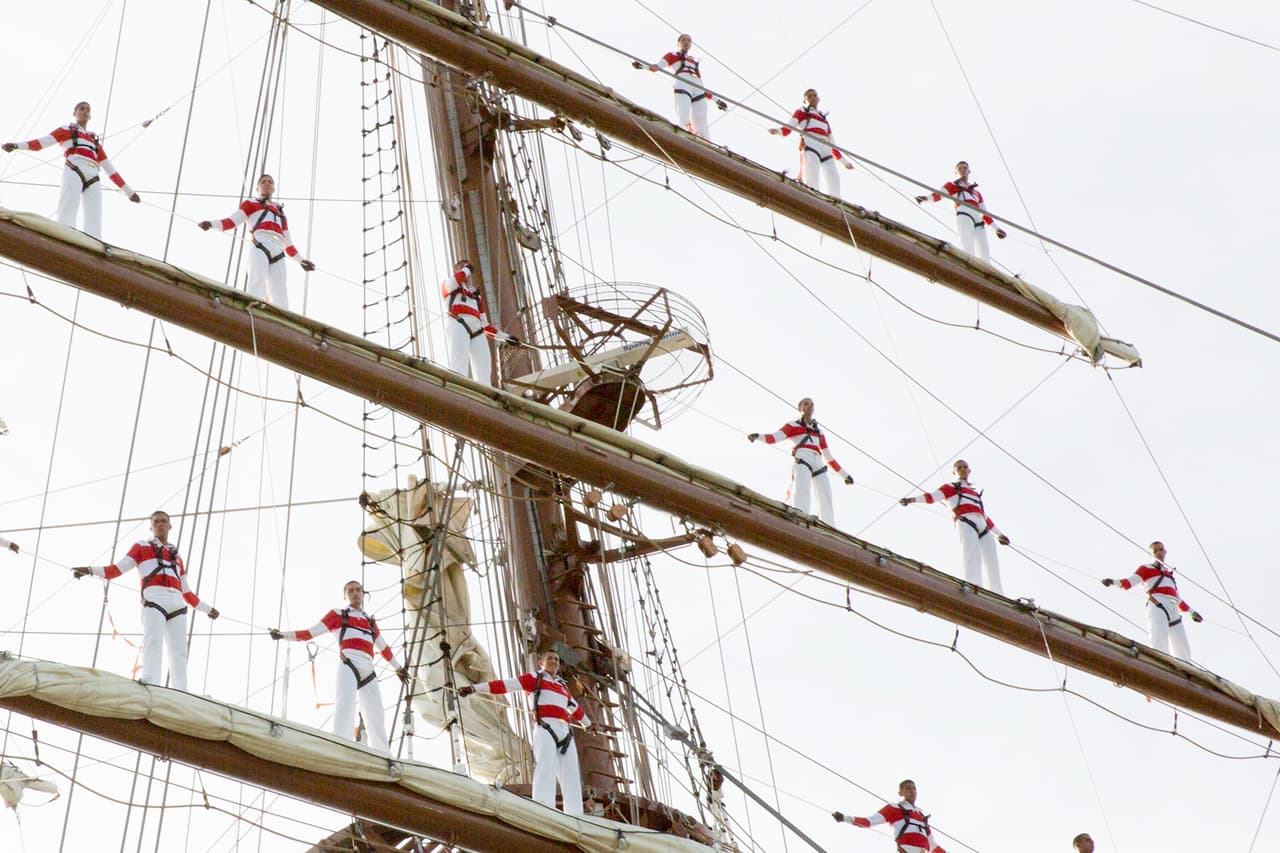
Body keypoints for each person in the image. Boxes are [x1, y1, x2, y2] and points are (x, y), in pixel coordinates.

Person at [71, 510, 220, 690]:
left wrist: (207, 609)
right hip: (154, 600)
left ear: (170, 526)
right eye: (156, 522)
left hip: (177, 604)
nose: (160, 524)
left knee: (179, 652)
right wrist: (88, 570)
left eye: (163, 521)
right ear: (151, 527)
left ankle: (182, 691)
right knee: (153, 642)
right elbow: (116, 570)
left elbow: (186, 592)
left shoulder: (177, 556)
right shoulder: (141, 546)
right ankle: (151, 684)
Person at [270, 580, 409, 751]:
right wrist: (284, 635)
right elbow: (309, 633)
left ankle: (384, 754)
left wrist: (398, 668)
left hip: (369, 669)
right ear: (345, 596)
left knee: (376, 715)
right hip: (349, 663)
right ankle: (340, 746)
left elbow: (384, 648)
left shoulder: (371, 623)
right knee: (345, 706)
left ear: (363, 594)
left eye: (358, 590)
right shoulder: (338, 615)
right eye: (350, 591)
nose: (355, 593)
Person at [458, 650, 592, 815]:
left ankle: (575, 814)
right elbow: (504, 685)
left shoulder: (562, 685)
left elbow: (574, 707)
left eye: (557, 659)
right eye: (549, 658)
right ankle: (543, 808)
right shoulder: (534, 678)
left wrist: (588, 724)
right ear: (541, 662)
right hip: (546, 727)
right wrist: (474, 689)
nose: (554, 661)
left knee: (571, 774)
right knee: (546, 767)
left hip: (566, 731)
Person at [2, 101, 140, 239]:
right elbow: (40, 143)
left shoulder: (94, 142)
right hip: (74, 169)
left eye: (88, 109)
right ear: (75, 113)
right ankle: (63, 236)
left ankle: (95, 243)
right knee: (68, 208)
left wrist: (129, 192)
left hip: (93, 176)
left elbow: (110, 170)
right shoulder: (67, 130)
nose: (85, 111)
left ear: (90, 115)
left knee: (95, 215)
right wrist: (16, 145)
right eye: (82, 108)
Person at [198, 174, 314, 311]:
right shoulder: (250, 204)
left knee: (280, 287)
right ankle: (254, 308)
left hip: (279, 249)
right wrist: (211, 224)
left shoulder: (281, 213)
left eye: (270, 182)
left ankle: (282, 314)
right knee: (257, 280)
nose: (267, 184)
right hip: (260, 244)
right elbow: (231, 222)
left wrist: (301, 260)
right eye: (263, 182)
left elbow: (288, 244)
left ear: (274, 188)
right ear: (257, 188)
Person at [899, 460, 1009, 595]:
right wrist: (912, 500)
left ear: (969, 470)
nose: (962, 469)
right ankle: (975, 588)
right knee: (972, 555)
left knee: (992, 560)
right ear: (954, 472)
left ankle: (998, 594)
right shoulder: (951, 487)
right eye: (959, 467)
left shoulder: (975, 494)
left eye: (965, 467)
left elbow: (985, 516)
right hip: (966, 521)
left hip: (982, 524)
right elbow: (931, 497)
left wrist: (999, 534)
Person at [748, 397, 853, 525]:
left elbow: (829, 457)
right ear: (800, 408)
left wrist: (845, 475)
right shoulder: (793, 425)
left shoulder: (819, 432)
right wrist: (758, 436)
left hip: (818, 462)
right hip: (803, 457)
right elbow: (774, 438)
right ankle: (800, 516)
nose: (810, 406)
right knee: (802, 488)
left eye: (812, 404)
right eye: (806, 404)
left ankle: (829, 525)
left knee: (825, 494)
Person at [1102, 541, 1202, 661]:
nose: (1159, 552)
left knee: (1182, 647)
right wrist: (1112, 582)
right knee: (1159, 641)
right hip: (1158, 604)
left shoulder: (1169, 575)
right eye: (1155, 551)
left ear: (1165, 551)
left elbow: (1178, 599)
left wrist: (1192, 612)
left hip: (1173, 608)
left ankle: (1186, 670)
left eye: (1161, 549)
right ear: (1151, 554)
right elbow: (1129, 583)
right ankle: (1161, 663)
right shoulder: (1146, 569)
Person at [440, 259, 517, 386]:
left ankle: (485, 396)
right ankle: (457, 390)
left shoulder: (476, 296)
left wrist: (506, 338)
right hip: (458, 323)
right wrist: (466, 268)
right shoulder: (449, 285)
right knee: (459, 366)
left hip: (477, 330)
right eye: (461, 267)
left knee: (484, 369)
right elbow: (456, 280)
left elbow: (485, 325)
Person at [914, 161, 1006, 263]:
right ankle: (969, 266)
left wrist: (997, 229)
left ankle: (987, 272)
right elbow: (939, 194)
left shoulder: (976, 192)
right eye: (960, 168)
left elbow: (985, 213)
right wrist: (926, 198)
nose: (962, 170)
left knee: (984, 248)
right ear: (956, 172)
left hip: (978, 218)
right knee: (968, 245)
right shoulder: (952, 185)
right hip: (964, 212)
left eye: (965, 168)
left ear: (969, 171)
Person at [768, 89, 853, 197]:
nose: (812, 98)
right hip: (811, 141)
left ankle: (837, 199)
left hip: (825, 146)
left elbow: (833, 143)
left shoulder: (823, 118)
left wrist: (845, 162)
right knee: (812, 171)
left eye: (814, 95)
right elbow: (790, 126)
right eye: (809, 96)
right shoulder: (802, 111)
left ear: (818, 99)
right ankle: (812, 193)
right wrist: (778, 131)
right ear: (805, 100)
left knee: (833, 174)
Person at [639, 34, 723, 139]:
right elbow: (657, 66)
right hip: (683, 82)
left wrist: (717, 100)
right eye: (683, 40)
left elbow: (702, 88)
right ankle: (685, 132)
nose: (686, 42)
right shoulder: (672, 55)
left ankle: (705, 139)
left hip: (697, 85)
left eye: (689, 40)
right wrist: (643, 66)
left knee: (701, 114)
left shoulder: (694, 61)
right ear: (678, 43)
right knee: (684, 109)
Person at [832, 779, 947, 853]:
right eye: (907, 788)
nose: (912, 791)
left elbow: (932, 845)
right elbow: (869, 821)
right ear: (900, 793)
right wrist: (844, 818)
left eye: (914, 788)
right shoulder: (895, 808)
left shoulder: (922, 816)